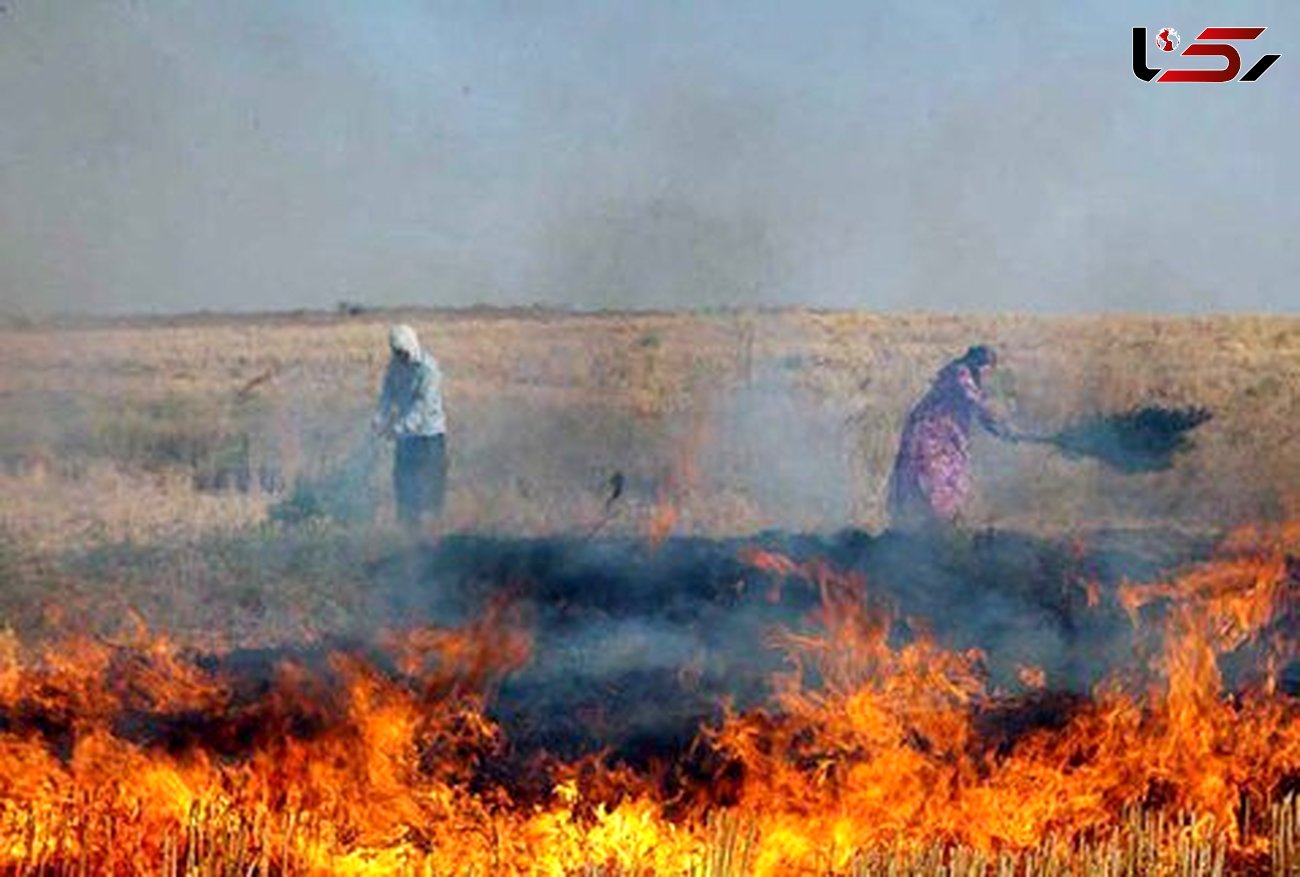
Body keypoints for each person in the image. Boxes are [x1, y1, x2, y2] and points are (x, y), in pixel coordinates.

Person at [887, 345, 1020, 530]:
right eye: (985, 365)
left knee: (947, 479)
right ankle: (930, 528)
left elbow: (981, 414)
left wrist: (1001, 432)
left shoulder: (970, 376)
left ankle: (937, 528)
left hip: (946, 436)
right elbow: (977, 403)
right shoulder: (960, 373)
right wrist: (1001, 427)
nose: (986, 371)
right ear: (975, 359)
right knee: (933, 477)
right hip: (931, 432)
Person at [372, 324, 448, 527]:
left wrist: (397, 429)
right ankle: (408, 535)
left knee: (429, 490)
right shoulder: (395, 365)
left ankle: (434, 538)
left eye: (402, 352)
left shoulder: (428, 369)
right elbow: (388, 393)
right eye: (396, 352)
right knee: (404, 486)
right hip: (406, 439)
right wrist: (380, 417)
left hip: (429, 438)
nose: (399, 357)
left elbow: (423, 408)